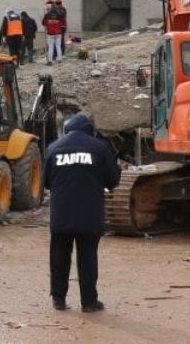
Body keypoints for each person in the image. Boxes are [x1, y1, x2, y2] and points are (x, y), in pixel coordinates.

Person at [43, 114, 120, 313]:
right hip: (89, 213)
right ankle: (89, 302)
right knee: (87, 258)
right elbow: (112, 179)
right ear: (89, 129)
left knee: (59, 256)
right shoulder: (99, 148)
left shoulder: (53, 148)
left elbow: (46, 181)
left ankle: (58, 299)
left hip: (61, 214)